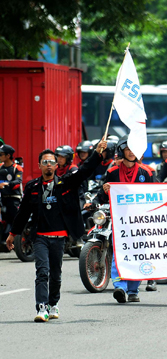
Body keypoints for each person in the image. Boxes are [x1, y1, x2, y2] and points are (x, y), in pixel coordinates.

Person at [6, 141, 107, 322]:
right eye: (44, 162)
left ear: (56, 165)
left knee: (56, 274)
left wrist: (98, 153)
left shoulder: (65, 183)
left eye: (51, 162)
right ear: (39, 166)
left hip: (59, 238)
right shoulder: (32, 187)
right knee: (42, 272)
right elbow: (22, 213)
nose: (48, 165)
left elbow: (85, 171)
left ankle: (53, 304)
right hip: (40, 238)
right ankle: (42, 307)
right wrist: (12, 234)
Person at [98, 136, 156, 303]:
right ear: (122, 151)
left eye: (133, 149)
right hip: (120, 222)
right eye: (128, 149)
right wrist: (104, 190)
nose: (131, 152)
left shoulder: (147, 172)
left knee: (137, 253)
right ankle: (120, 287)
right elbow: (103, 196)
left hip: (141, 222)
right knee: (120, 253)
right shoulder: (112, 172)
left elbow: (157, 195)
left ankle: (133, 289)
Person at [0, 145, 23, 249]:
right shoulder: (0, 166)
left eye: (1, 154)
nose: (0, 156)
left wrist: (6, 184)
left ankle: (17, 243)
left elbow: (18, 182)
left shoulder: (16, 168)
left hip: (14, 198)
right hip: (2, 198)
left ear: (8, 155)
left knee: (14, 220)